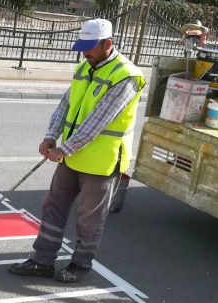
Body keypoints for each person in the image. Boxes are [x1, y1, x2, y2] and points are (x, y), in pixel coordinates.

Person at [10, 18, 145, 283]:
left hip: (101, 161)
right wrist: (51, 137)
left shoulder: (127, 76)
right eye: (82, 47)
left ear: (108, 44)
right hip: (71, 156)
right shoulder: (84, 66)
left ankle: (80, 264)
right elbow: (65, 104)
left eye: (90, 48)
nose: (85, 53)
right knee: (53, 206)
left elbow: (100, 119)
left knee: (89, 218)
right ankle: (42, 260)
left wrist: (65, 148)